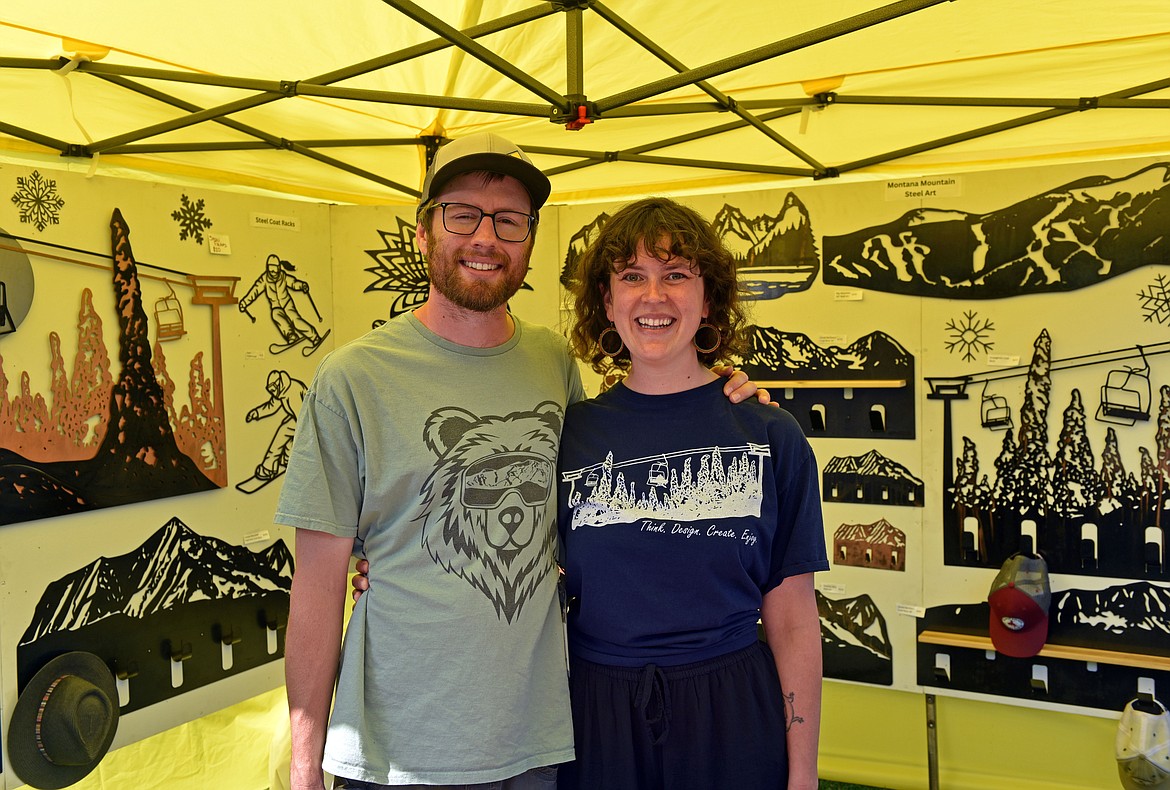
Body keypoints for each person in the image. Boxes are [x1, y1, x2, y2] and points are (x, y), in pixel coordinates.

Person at [278, 133, 765, 790]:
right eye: (462, 214)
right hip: (401, 752)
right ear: (423, 234)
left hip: (537, 742)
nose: (486, 237)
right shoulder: (352, 379)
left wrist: (723, 401)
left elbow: (596, 499)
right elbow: (316, 587)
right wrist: (304, 769)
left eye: (509, 221)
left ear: (528, 242)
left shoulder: (552, 364)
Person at [557, 196, 828, 790]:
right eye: (632, 277)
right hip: (597, 713)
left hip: (731, 709)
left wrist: (802, 773)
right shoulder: (570, 436)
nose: (654, 297)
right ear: (607, 300)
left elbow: (793, 623)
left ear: (709, 299)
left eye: (676, 275)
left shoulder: (768, 433)